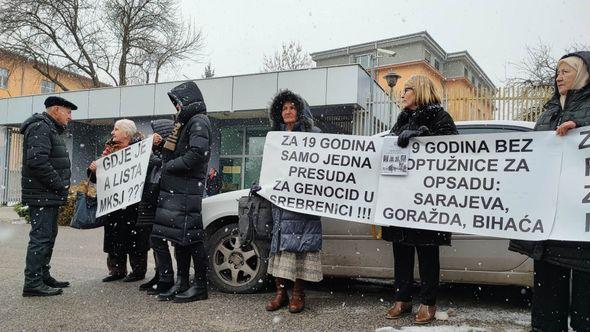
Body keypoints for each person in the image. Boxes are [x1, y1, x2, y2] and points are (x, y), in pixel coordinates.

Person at [509, 51, 590, 332]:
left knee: (585, 303)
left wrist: (582, 131)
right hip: (549, 223)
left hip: (581, 224)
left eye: (566, 71)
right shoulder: (549, 111)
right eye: (557, 72)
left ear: (583, 74)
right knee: (546, 299)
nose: (558, 77)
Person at [382, 75, 458, 324]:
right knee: (400, 251)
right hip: (401, 197)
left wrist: (423, 138)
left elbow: (453, 152)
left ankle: (428, 302)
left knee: (427, 254)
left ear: (421, 92)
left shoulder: (440, 117)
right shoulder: (402, 118)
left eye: (407, 90)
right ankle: (402, 298)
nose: (402, 95)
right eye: (402, 90)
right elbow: (391, 148)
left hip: (427, 200)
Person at [151, 81, 212, 303]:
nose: (176, 107)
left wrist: (169, 167)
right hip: (179, 189)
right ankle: (182, 282)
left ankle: (200, 286)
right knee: (180, 238)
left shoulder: (198, 121)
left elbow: (196, 154)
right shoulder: (186, 123)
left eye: (178, 102)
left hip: (187, 189)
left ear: (187, 101)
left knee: (193, 240)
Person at [265, 89, 322, 314]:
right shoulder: (274, 137)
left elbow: (322, 167)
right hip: (280, 202)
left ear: (300, 111)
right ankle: (280, 293)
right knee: (280, 246)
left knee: (301, 246)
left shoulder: (314, 135)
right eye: (284, 108)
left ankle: (298, 293)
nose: (288, 111)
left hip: (303, 202)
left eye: (292, 107)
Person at [21, 96, 76, 297]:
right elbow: (37, 162)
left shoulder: (48, 127)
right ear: (55, 110)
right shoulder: (40, 127)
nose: (70, 117)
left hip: (46, 194)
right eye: (67, 112)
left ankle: (42, 276)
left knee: (48, 236)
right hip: (42, 194)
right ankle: (33, 282)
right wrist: (60, 184)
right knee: (41, 238)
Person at [88, 119, 150, 283]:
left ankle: (138, 271)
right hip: (114, 203)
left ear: (126, 133)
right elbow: (98, 178)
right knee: (115, 236)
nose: (112, 132)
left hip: (134, 202)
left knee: (135, 237)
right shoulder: (109, 150)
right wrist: (94, 169)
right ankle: (116, 270)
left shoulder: (140, 149)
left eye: (116, 129)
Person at [137, 119, 175, 293]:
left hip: (159, 204)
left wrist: (150, 148)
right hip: (150, 203)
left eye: (157, 133)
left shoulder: (168, 153)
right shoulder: (156, 151)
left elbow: (157, 163)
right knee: (154, 241)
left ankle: (166, 277)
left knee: (159, 241)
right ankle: (159, 274)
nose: (154, 136)